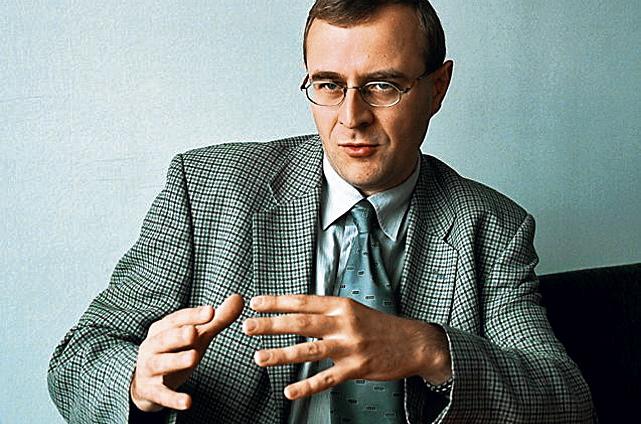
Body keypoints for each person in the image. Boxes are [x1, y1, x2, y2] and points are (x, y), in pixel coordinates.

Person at [48, 1, 596, 423]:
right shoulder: (208, 187)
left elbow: (567, 404)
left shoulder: (494, 226)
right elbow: (77, 358)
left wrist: (427, 349)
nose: (351, 117)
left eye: (382, 85)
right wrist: (139, 382)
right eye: (329, 85)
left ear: (437, 87)